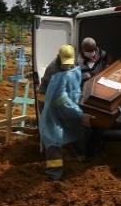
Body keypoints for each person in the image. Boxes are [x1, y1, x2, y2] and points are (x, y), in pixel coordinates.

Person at [39, 45, 92, 181]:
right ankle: (54, 174)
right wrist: (79, 114)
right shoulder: (54, 72)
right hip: (51, 105)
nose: (67, 66)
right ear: (59, 57)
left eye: (69, 63)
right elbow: (61, 99)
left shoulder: (73, 64)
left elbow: (73, 80)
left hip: (69, 104)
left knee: (76, 128)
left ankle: (79, 157)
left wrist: (83, 78)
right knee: (54, 136)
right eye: (65, 63)